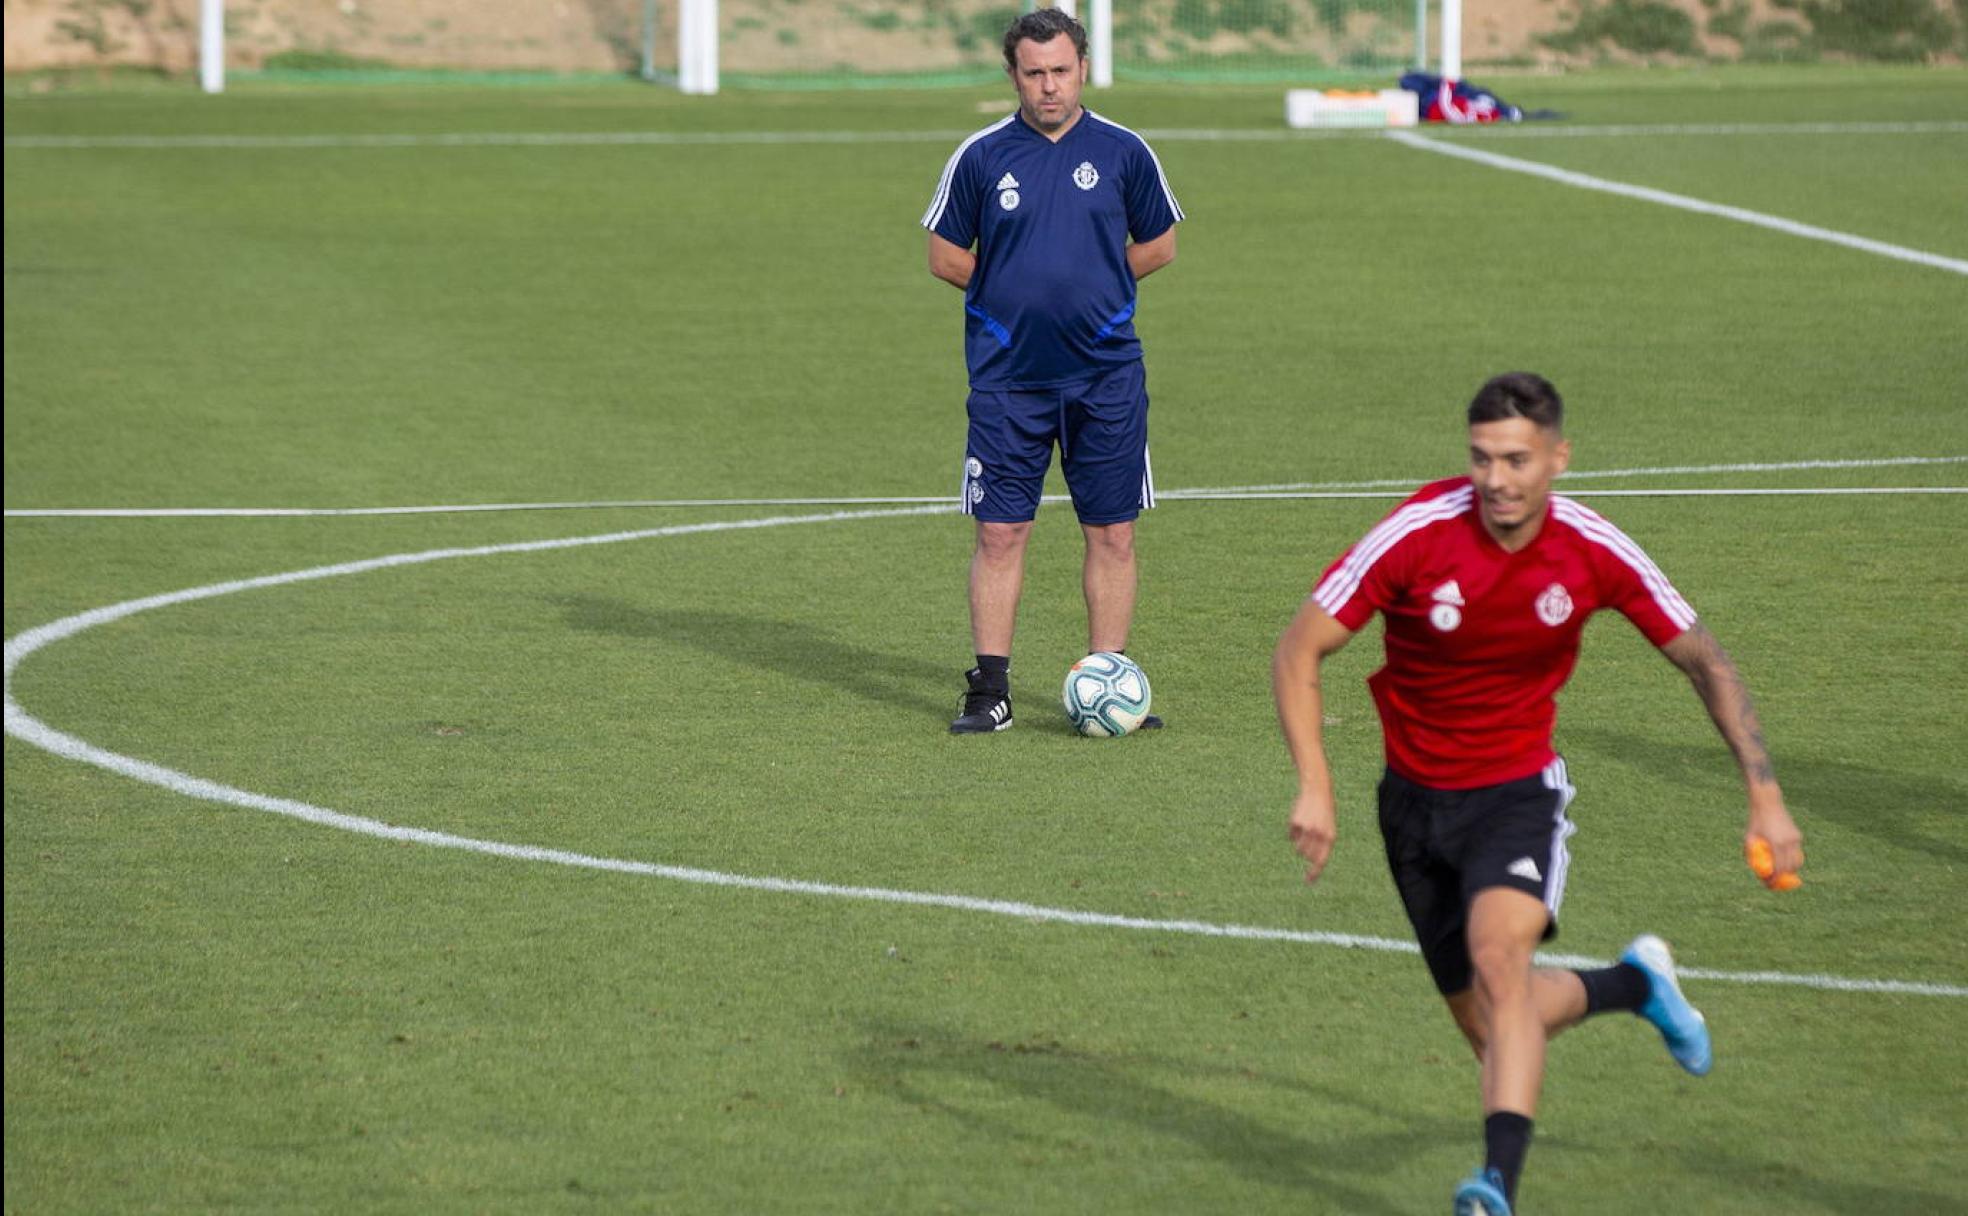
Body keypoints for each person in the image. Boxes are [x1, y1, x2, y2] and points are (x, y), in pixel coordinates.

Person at [1271, 373, 1805, 1216]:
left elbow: (1706, 659)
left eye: (1517, 460)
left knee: (1501, 965)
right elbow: (1299, 651)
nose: (1497, 480)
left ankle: (1495, 1189)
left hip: (1516, 794)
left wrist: (1764, 794)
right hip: (1410, 805)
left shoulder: (1594, 548)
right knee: (1493, 1028)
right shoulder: (1418, 532)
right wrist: (1316, 786)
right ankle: (1635, 985)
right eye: (1481, 459)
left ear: (1558, 459)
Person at [921, 6, 1183, 734]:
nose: (1048, 87)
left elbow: (1159, 244)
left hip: (1106, 376)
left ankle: (1109, 677)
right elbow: (944, 256)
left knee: (1113, 532)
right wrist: (1009, 295)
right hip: (1009, 380)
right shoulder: (980, 156)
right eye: (1033, 74)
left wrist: (1099, 288)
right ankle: (990, 690)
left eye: (1059, 71)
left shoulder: (1126, 151)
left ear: (1084, 70)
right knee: (1001, 534)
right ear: (1013, 76)